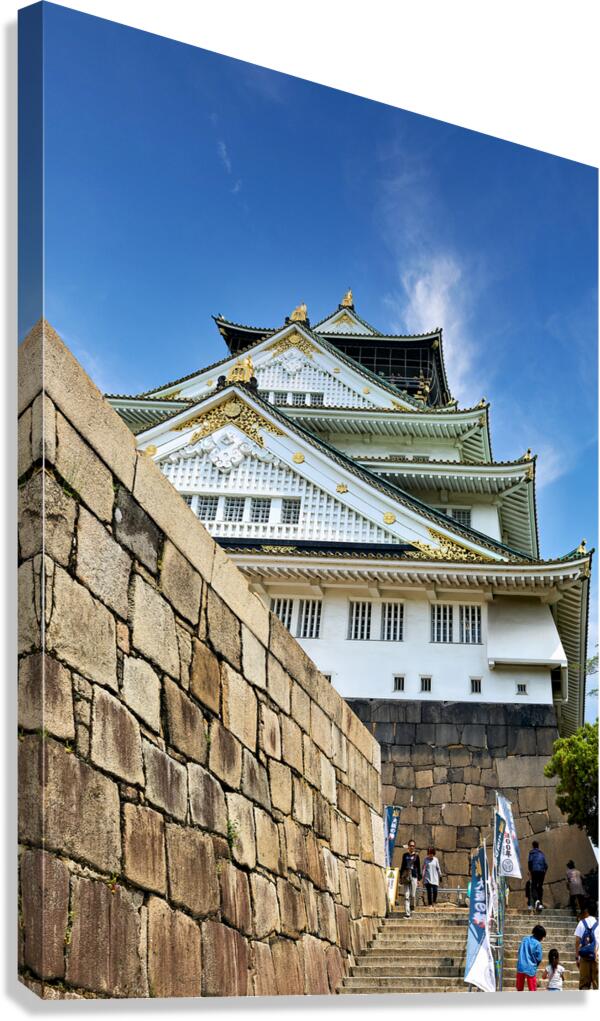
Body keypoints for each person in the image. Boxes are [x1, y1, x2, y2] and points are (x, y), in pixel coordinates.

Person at [574, 902, 599, 990]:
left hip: (584, 957)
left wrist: (577, 957)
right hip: (597, 957)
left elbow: (577, 941)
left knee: (584, 985)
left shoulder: (582, 923)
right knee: (597, 985)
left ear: (587, 911)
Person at [516, 924, 546, 991]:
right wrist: (535, 964)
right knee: (532, 989)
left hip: (521, 966)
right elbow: (539, 958)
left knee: (519, 988)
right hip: (531, 968)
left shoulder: (524, 939)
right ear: (540, 936)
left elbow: (519, 951)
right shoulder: (537, 944)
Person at [399, 839, 421, 918]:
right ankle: (407, 913)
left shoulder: (417, 856)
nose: (412, 847)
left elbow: (418, 867)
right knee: (406, 895)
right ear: (408, 846)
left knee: (413, 894)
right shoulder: (405, 855)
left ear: (414, 847)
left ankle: (412, 907)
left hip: (414, 875)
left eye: (413, 846)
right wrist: (400, 877)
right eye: (410, 845)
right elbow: (402, 866)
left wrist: (419, 879)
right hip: (406, 876)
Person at [528, 840, 548, 913]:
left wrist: (530, 870)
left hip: (535, 870)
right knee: (540, 886)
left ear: (533, 846)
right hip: (542, 871)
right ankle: (540, 903)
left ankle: (536, 900)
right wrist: (544, 872)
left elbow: (530, 862)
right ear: (538, 846)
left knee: (533, 886)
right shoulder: (541, 853)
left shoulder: (531, 853)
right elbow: (546, 865)